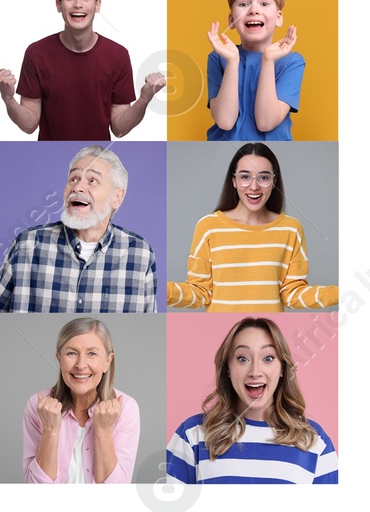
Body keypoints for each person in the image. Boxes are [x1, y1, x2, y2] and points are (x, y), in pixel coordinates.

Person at [166, 317, 337, 483]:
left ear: (282, 369)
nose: (255, 371)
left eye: (268, 358)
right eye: (242, 359)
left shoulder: (314, 440)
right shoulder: (192, 434)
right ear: (227, 369)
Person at [0, 0, 166, 140]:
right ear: (58, 5)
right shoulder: (36, 53)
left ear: (97, 5)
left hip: (97, 155)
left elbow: (119, 129)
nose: (78, 4)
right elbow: (29, 125)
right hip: (52, 153)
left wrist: (144, 99)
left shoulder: (118, 55)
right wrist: (8, 98)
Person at [169, 143, 337, 311]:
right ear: (233, 180)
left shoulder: (291, 229)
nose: (254, 186)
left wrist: (339, 293)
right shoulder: (208, 226)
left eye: (263, 177)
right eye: (245, 177)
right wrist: (160, 290)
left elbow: (292, 294)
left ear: (274, 182)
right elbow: (201, 292)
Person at [0, 145, 157, 313]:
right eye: (74, 179)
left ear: (117, 197)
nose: (77, 187)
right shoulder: (27, 244)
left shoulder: (140, 253)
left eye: (92, 180)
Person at [21, 317, 140, 483]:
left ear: (107, 361)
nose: (81, 364)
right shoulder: (38, 405)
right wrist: (50, 430)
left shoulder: (126, 408)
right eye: (71, 353)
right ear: (59, 359)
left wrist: (104, 429)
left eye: (92, 353)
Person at [204, 0, 304, 142]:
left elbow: (266, 122)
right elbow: (225, 121)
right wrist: (232, 62)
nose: (254, 10)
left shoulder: (292, 62)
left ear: (279, 18)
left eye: (264, 3)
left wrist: (268, 60)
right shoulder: (218, 58)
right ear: (232, 20)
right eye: (244, 4)